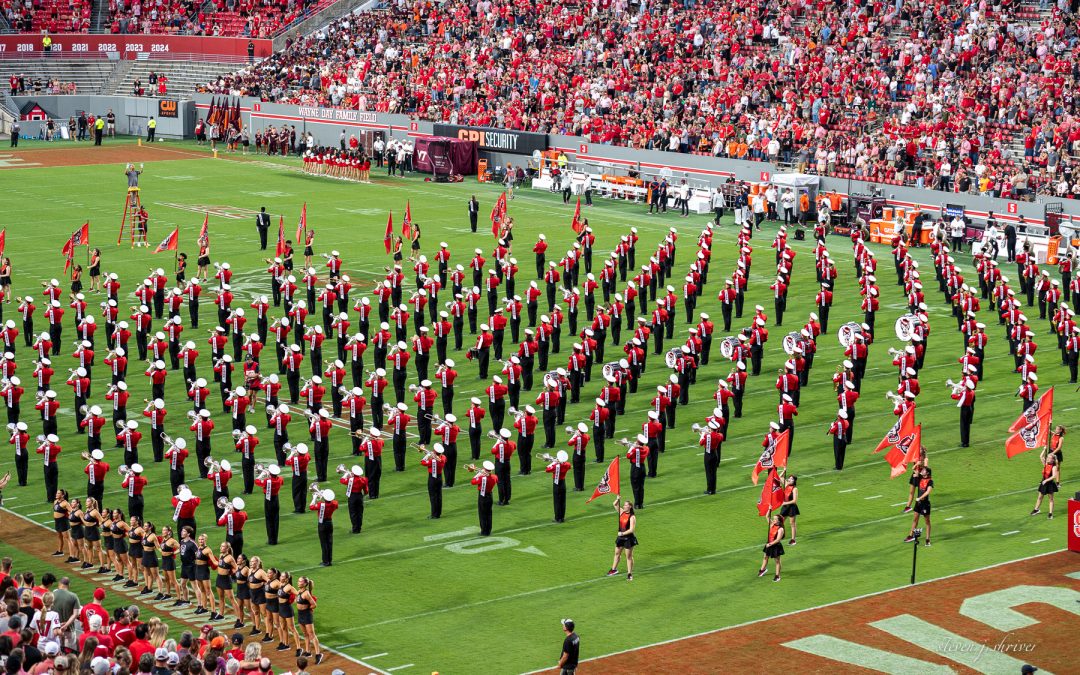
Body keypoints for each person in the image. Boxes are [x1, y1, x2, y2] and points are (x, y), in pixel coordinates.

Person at [606, 497, 636, 581]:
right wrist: (617, 499)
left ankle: (629, 574)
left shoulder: (632, 517)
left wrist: (622, 533)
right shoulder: (622, 512)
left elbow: (631, 530)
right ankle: (613, 569)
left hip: (628, 538)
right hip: (620, 538)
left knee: (628, 557)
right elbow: (614, 504)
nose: (624, 505)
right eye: (624, 504)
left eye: (626, 505)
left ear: (630, 506)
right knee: (616, 554)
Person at [904, 466, 933, 546]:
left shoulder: (930, 481)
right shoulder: (920, 478)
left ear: (927, 473)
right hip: (918, 503)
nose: (922, 470)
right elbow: (913, 469)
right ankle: (911, 535)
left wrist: (920, 498)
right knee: (915, 519)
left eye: (924, 470)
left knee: (927, 522)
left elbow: (928, 492)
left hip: (925, 504)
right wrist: (917, 464)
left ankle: (927, 539)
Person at [1031, 450, 1060, 518]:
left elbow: (1054, 476)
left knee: (1051, 499)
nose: (1047, 459)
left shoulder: (1054, 467)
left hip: (1050, 484)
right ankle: (1036, 509)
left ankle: (1050, 514)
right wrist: (1044, 449)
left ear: (1053, 460)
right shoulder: (1046, 464)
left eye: (1049, 458)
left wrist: (1046, 480)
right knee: (1040, 497)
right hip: (1044, 483)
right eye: (1047, 457)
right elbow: (1041, 456)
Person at [758, 514, 785, 581]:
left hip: (775, 546)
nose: (773, 520)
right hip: (769, 544)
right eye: (773, 518)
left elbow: (778, 540)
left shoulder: (780, 529)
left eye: (775, 519)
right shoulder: (772, 524)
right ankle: (762, 570)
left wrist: (769, 544)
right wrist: (769, 508)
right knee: (765, 557)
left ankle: (777, 576)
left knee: (777, 561)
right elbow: (767, 516)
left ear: (779, 521)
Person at [779, 475, 799, 545]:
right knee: (780, 522)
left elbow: (794, 501)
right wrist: (784, 469)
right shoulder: (786, 484)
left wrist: (785, 502)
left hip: (791, 507)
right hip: (785, 507)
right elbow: (780, 476)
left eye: (792, 479)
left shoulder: (795, 489)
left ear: (794, 481)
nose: (790, 479)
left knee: (792, 524)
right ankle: (781, 535)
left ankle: (793, 540)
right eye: (789, 478)